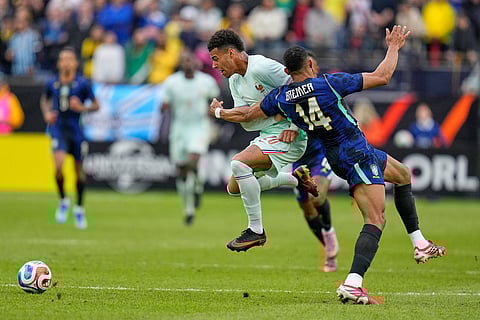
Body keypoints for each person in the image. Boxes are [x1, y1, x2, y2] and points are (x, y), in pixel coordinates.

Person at [209, 26, 446, 304]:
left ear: (286, 72)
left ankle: (420, 243)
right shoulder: (329, 83)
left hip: (337, 154)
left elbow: (249, 113)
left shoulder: (280, 97)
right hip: (354, 152)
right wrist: (393, 46)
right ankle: (353, 283)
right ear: (310, 63)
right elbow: (382, 76)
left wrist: (218, 111)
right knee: (376, 220)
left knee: (403, 174)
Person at [207, 29, 318, 252]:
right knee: (234, 187)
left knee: (239, 163)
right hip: (268, 134)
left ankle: (256, 231)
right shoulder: (235, 80)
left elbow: (304, 88)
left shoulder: (262, 67)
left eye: (215, 59)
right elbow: (245, 117)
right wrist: (237, 114)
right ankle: (295, 179)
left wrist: (294, 125)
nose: (214, 65)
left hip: (290, 134)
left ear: (231, 53)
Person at [40, 47, 100, 229]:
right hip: (58, 128)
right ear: (58, 63)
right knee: (58, 167)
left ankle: (79, 208)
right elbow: (45, 100)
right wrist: (47, 114)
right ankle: (63, 200)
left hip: (76, 130)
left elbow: (96, 105)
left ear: (75, 63)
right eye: (62, 59)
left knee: (79, 172)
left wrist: (82, 108)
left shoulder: (82, 84)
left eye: (69, 59)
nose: (65, 62)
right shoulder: (52, 83)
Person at [291, 51, 339, 272]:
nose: (316, 70)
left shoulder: (323, 88)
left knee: (317, 197)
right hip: (298, 158)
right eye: (312, 65)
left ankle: (329, 234)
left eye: (316, 65)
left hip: (320, 153)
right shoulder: (287, 94)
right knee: (307, 208)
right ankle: (328, 249)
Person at [161, 50, 220, 225]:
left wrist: (213, 113)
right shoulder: (172, 82)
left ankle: (197, 186)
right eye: (185, 61)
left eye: (190, 61)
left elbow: (215, 99)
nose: (188, 64)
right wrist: (163, 107)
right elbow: (163, 105)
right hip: (179, 128)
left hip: (199, 127)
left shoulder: (206, 81)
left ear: (196, 63)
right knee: (181, 170)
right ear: (181, 64)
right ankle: (188, 207)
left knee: (193, 160)